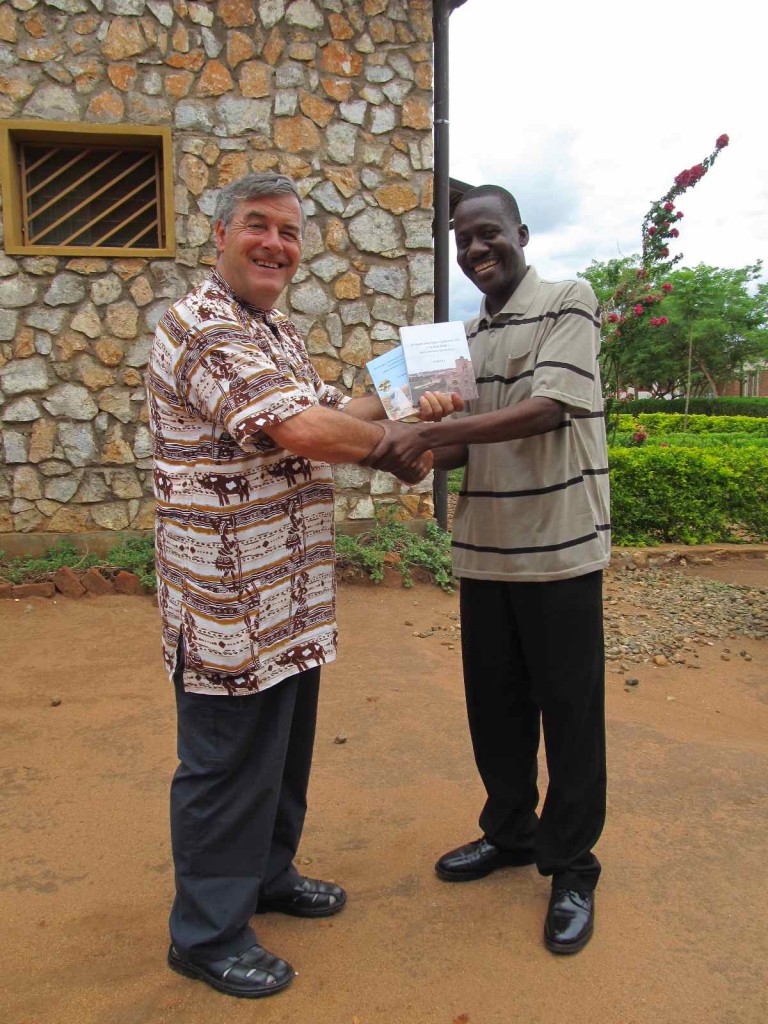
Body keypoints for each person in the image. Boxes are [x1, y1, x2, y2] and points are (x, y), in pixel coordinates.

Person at [147, 172, 458, 999]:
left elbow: (326, 402)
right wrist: (393, 441)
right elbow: (296, 427)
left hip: (286, 598)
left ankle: (267, 877)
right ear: (220, 235)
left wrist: (410, 402)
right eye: (258, 225)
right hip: (226, 606)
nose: (274, 244)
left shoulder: (272, 331)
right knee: (223, 766)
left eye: (288, 232)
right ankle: (206, 934)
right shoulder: (201, 326)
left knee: (278, 757)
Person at [363, 185, 610, 954]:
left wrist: (431, 433)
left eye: (488, 235)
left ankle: (570, 864)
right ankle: (509, 832)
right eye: (463, 241)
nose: (475, 251)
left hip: (561, 549)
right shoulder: (459, 342)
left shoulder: (570, 299)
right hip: (486, 553)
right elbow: (465, 447)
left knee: (569, 716)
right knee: (495, 709)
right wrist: (412, 455)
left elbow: (547, 409)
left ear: (521, 233)